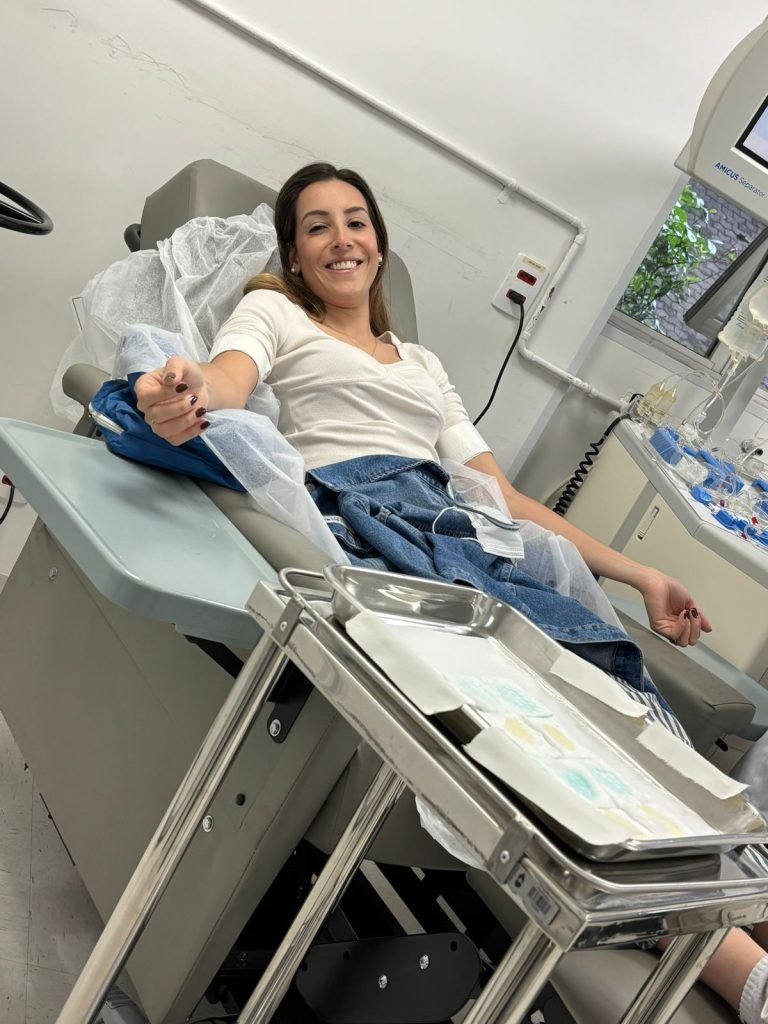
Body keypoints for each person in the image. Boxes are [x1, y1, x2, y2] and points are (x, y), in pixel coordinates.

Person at [136, 162, 768, 1022]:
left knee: (611, 692)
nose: (340, 239)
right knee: (542, 722)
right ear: (293, 252)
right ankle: (737, 968)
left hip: (461, 531)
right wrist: (179, 393)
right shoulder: (275, 312)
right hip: (370, 522)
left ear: (379, 244)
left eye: (355, 221)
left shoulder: (424, 365)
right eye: (316, 226)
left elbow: (500, 497)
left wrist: (640, 574)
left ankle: (740, 900)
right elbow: (225, 382)